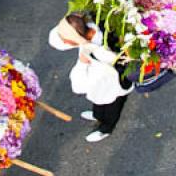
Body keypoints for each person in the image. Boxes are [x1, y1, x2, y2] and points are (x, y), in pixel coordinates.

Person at [48, 12, 133, 143]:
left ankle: (106, 129)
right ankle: (97, 115)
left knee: (112, 105)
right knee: (98, 99)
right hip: (100, 81)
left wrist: (83, 62)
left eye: (65, 41)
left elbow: (79, 86)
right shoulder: (91, 26)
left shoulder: (100, 50)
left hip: (115, 82)